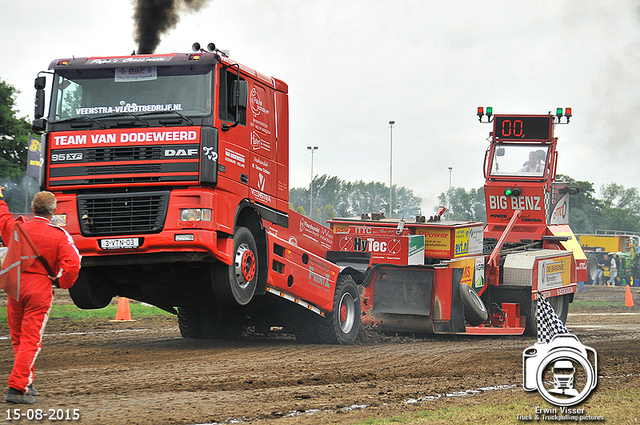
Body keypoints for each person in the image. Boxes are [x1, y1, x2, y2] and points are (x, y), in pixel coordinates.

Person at [0, 187, 81, 404]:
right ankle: (17, 388)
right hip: (39, 289)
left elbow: (3, 218)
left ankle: (27, 380)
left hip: (15, 286)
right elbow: (73, 264)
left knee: (18, 337)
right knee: (31, 339)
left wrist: (0, 198)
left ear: (31, 208)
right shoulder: (59, 235)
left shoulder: (17, 229)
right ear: (53, 212)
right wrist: (61, 282)